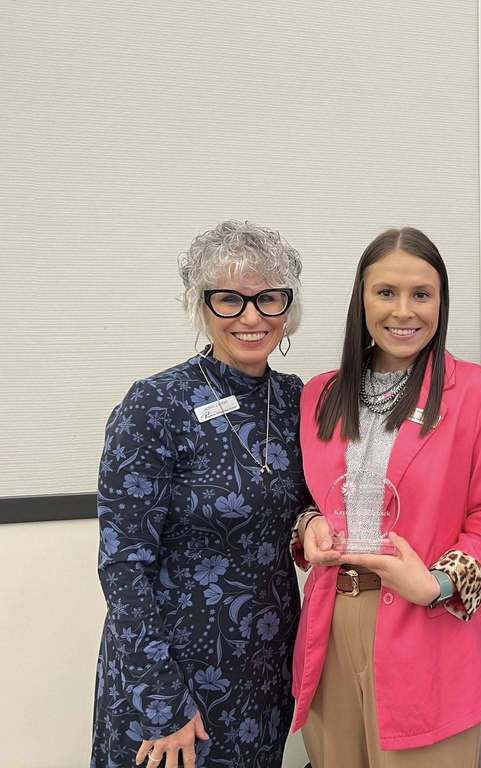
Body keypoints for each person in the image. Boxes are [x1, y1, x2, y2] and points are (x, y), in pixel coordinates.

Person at [289, 227, 481, 768]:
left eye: (422, 294)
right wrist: (309, 528)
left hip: (427, 623)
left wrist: (438, 583)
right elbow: (313, 500)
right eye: (386, 293)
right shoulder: (320, 394)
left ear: (441, 302)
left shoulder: (475, 392)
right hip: (331, 622)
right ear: (361, 300)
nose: (404, 311)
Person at [91, 221, 310, 768]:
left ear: (289, 306)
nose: (252, 317)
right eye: (229, 299)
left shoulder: (294, 400)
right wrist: (162, 703)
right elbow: (123, 565)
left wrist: (311, 523)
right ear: (201, 304)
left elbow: (306, 503)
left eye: (269, 298)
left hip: (263, 672)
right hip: (172, 677)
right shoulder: (155, 405)